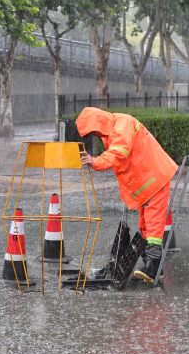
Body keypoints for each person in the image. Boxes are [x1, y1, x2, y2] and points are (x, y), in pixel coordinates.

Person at [76, 107, 178, 284]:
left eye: (93, 131)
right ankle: (153, 268)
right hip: (149, 182)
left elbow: (120, 153)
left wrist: (96, 161)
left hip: (155, 179)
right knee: (145, 226)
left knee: (153, 226)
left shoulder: (122, 124)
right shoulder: (113, 131)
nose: (95, 135)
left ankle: (153, 267)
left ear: (98, 123)